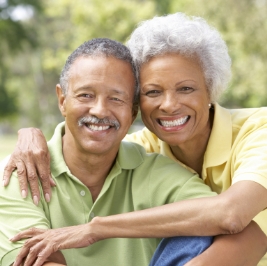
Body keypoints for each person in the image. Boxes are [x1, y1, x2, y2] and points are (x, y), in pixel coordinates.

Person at [2, 13, 267, 265]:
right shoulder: (141, 150)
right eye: (153, 91)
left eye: (186, 88)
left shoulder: (258, 130)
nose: (169, 105)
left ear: (211, 89)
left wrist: (95, 229)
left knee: (194, 233)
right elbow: (94, 133)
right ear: (137, 105)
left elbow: (233, 217)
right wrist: (30, 135)